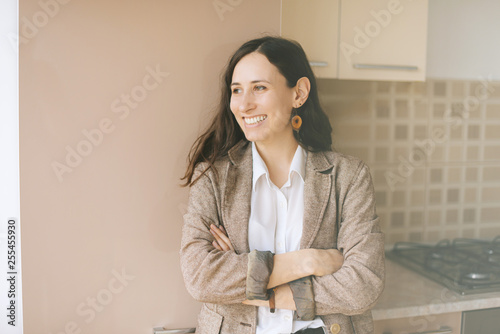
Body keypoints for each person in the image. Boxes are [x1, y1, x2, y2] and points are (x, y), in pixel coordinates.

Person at [180, 36, 384, 334]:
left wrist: (251, 288)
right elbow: (200, 278)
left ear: (298, 94)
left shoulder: (349, 176)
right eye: (237, 90)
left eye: (259, 88)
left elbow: (363, 284)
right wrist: (309, 260)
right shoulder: (212, 177)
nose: (244, 105)